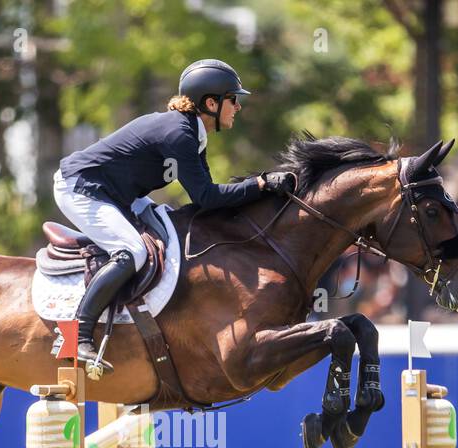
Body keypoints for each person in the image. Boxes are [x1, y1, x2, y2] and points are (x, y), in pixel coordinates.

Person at [53, 59, 294, 372]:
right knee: (133, 251)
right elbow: (207, 197)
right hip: (82, 187)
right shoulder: (179, 134)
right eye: (233, 100)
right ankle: (74, 336)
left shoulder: (192, 133)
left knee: (168, 226)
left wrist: (259, 188)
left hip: (118, 195)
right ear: (212, 103)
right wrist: (261, 184)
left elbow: (209, 197)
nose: (238, 107)